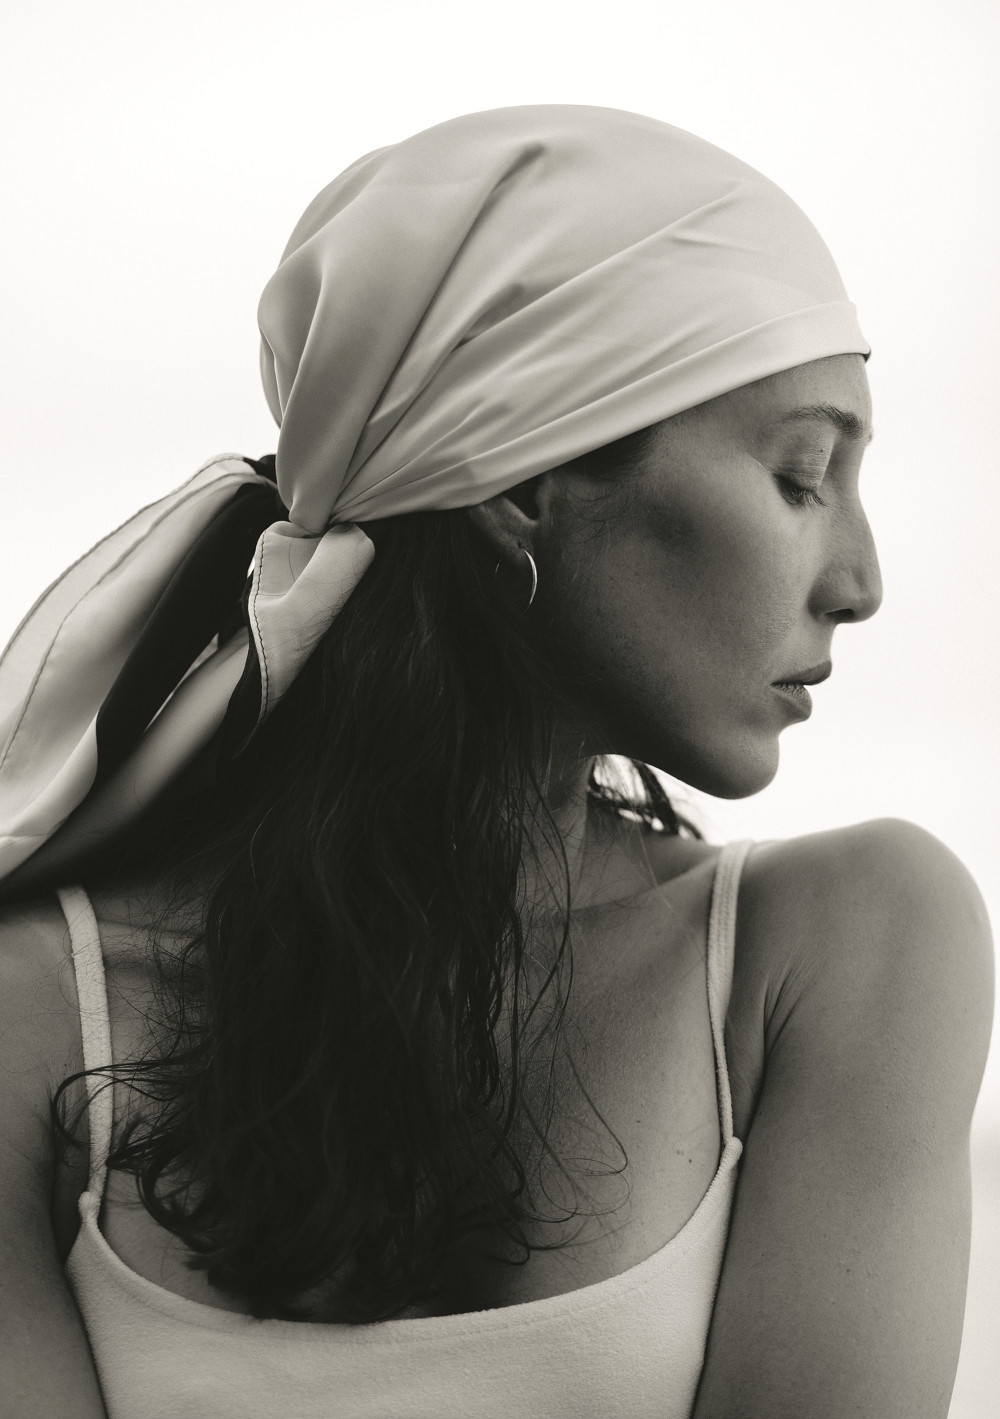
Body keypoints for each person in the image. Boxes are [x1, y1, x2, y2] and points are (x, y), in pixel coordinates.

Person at [0, 104, 992, 1419]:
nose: (859, 585)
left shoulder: (837, 950)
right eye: (803, 477)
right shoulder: (35, 1009)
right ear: (523, 487)